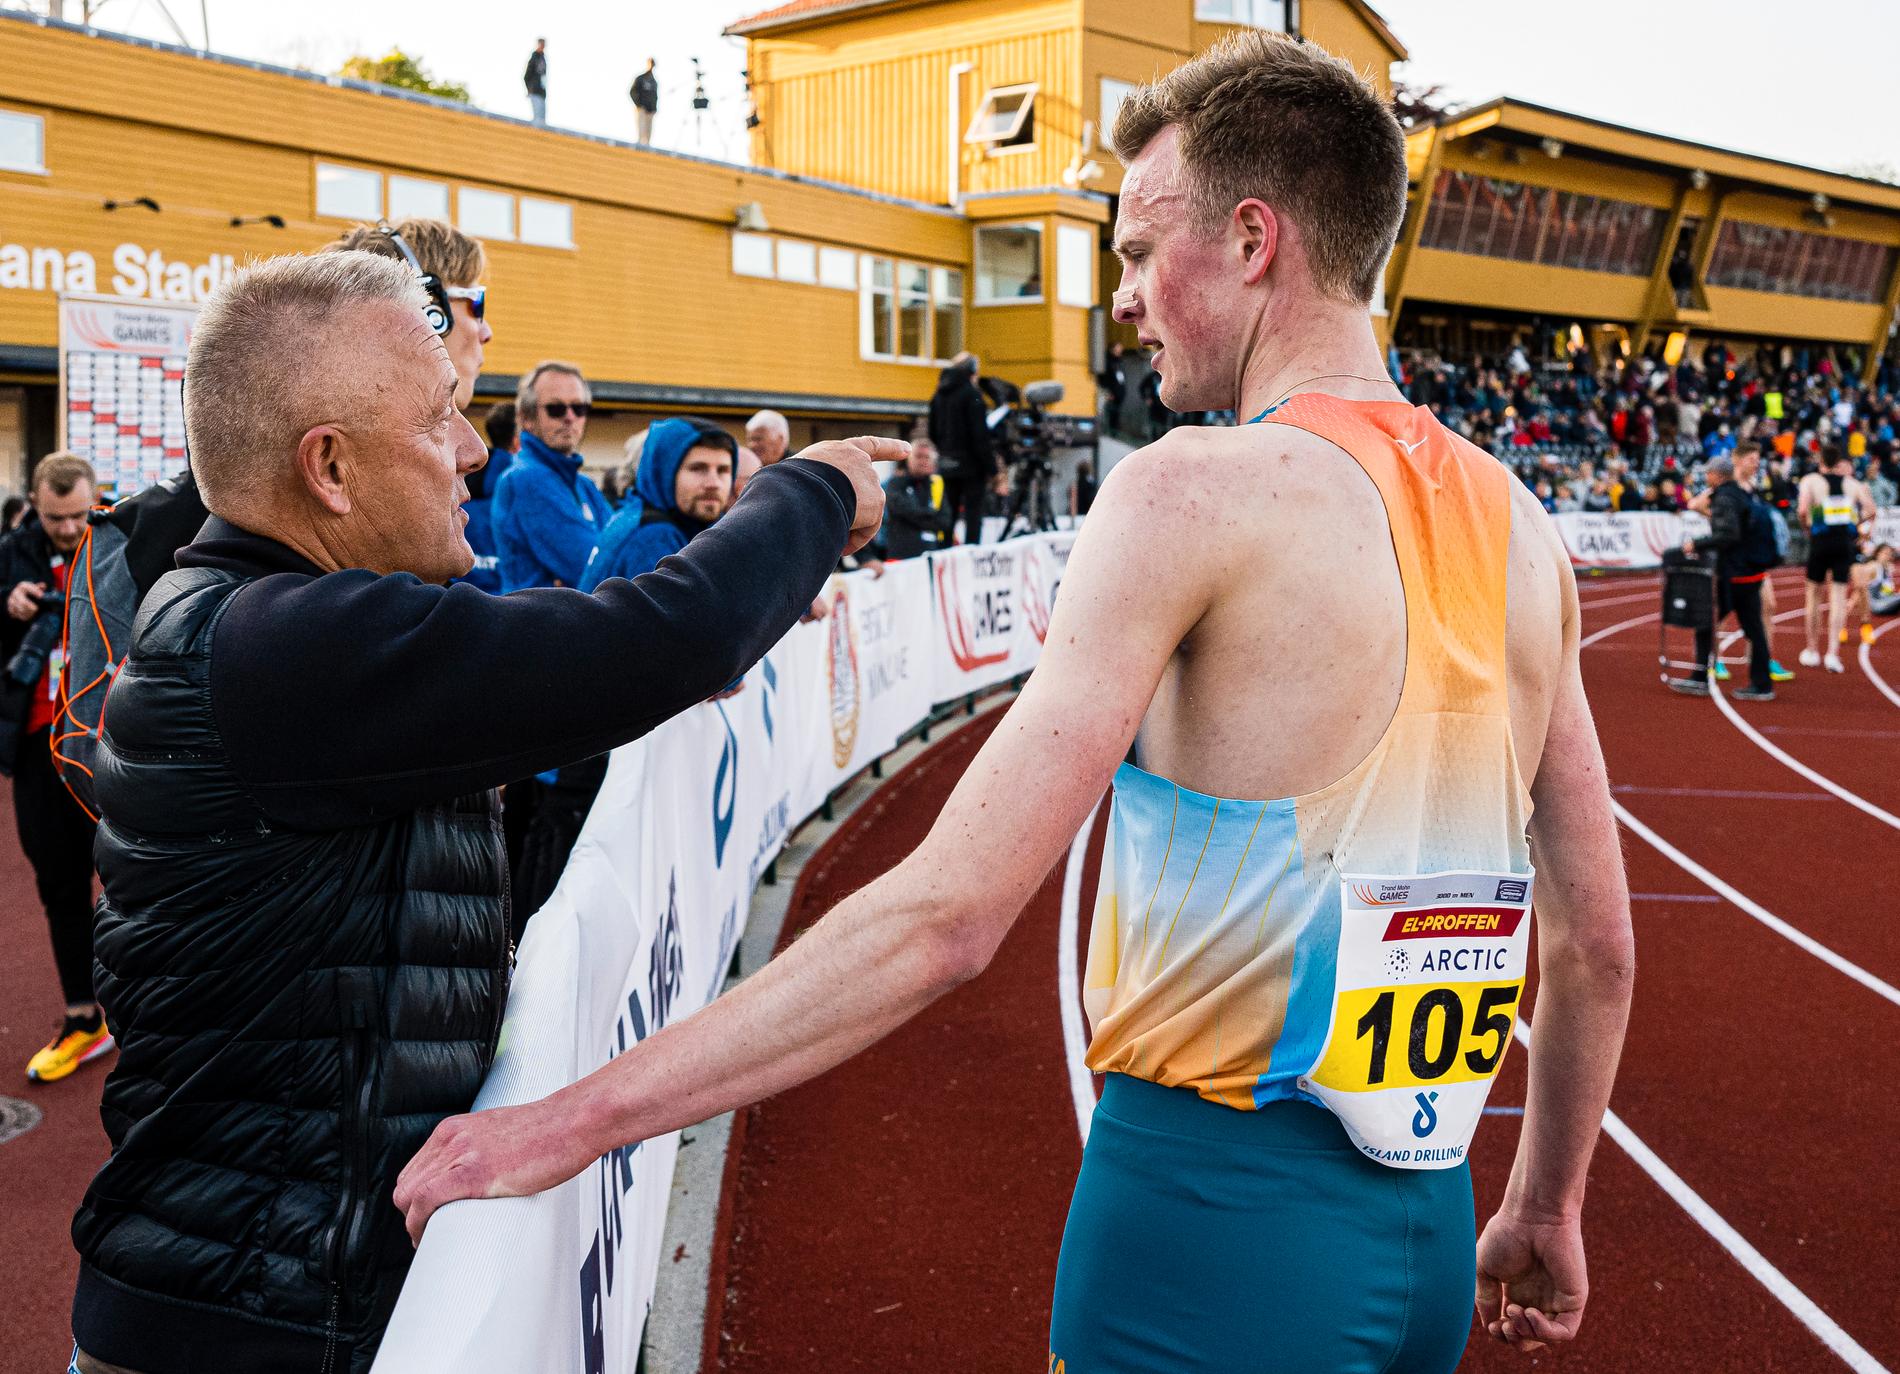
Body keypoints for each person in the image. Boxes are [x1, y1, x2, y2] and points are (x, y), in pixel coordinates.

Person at [397, 33, 1634, 1368]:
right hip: (1432, 1239)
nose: (1124, 299)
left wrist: (563, 1121)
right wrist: (1548, 1202)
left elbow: (948, 917)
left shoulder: (1186, 492)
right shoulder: (1521, 528)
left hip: (1207, 1239)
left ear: (1255, 239)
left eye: (1139, 252)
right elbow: (1599, 944)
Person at [66, 250, 885, 1374]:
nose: (474, 450)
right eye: (442, 414)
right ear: (332, 469)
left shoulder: (278, 628)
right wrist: (816, 487)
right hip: (253, 1324)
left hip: (266, 1299)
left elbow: (594, 664)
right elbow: (652, 639)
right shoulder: (283, 646)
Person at [1, 454, 109, 1083]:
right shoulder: (11, 553)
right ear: (34, 505)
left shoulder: (122, 545)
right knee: (60, 886)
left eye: (76, 515)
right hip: (39, 748)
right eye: (53, 517)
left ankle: (153, 1020)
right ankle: (82, 1019)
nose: (67, 528)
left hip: (110, 745)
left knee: (140, 887)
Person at [491, 361, 612, 592]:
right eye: (556, 409)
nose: (569, 417)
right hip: (538, 623)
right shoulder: (526, 479)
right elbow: (594, 571)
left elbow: (620, 553)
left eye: (579, 408)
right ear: (526, 417)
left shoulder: (584, 485)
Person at [1674, 452, 1775, 700]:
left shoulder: (1724, 498)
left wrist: (1696, 544)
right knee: (1752, 627)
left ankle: (1701, 677)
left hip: (1735, 573)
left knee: (1706, 622)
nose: (1706, 476)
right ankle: (1761, 683)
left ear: (1717, 475)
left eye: (1709, 472)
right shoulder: (1741, 494)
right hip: (1749, 571)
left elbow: (1728, 535)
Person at [1797, 446, 1875, 672]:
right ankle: (1833, 654)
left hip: (1820, 541)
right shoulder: (1852, 484)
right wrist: (1854, 524)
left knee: (1813, 594)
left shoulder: (1811, 480)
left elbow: (1802, 510)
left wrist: (1808, 527)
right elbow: (1871, 509)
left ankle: (1812, 650)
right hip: (1843, 542)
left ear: (1821, 461)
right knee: (1838, 597)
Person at [927, 353, 994, 545]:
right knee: (973, 514)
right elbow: (979, 435)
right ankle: (972, 555)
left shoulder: (938, 395)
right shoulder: (972, 395)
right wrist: (991, 468)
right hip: (971, 466)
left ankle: (944, 550)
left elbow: (932, 431)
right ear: (972, 372)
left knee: (948, 512)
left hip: (947, 462)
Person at [458, 402, 516, 593]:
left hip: (460, 603)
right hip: (516, 610)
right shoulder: (525, 494)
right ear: (518, 440)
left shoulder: (459, 490)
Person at [878, 438, 954, 559]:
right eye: (918, 456)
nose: (922, 461)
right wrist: (930, 514)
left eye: (927, 457)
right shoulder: (896, 483)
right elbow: (901, 509)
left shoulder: (937, 485)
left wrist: (917, 516)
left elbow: (944, 520)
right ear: (909, 459)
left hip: (931, 554)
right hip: (901, 555)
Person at [1848, 542, 1897, 639]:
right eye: (1885, 553)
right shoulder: (1873, 566)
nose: (1888, 556)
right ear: (1877, 554)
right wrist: (1851, 603)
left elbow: (1887, 590)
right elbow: (1861, 587)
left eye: (1889, 554)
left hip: (1885, 601)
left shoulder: (1887, 568)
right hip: (1876, 604)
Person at [631, 57, 658, 144]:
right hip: (641, 109)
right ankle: (639, 144)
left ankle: (647, 146)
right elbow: (632, 92)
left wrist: (654, 108)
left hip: (650, 111)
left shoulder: (654, 82)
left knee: (648, 130)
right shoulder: (640, 78)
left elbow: (655, 96)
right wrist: (639, 104)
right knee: (641, 128)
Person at [524, 38, 547, 125]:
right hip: (534, 90)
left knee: (542, 119)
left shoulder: (543, 58)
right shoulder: (534, 57)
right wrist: (529, 89)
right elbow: (527, 75)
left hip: (542, 92)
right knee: (537, 119)